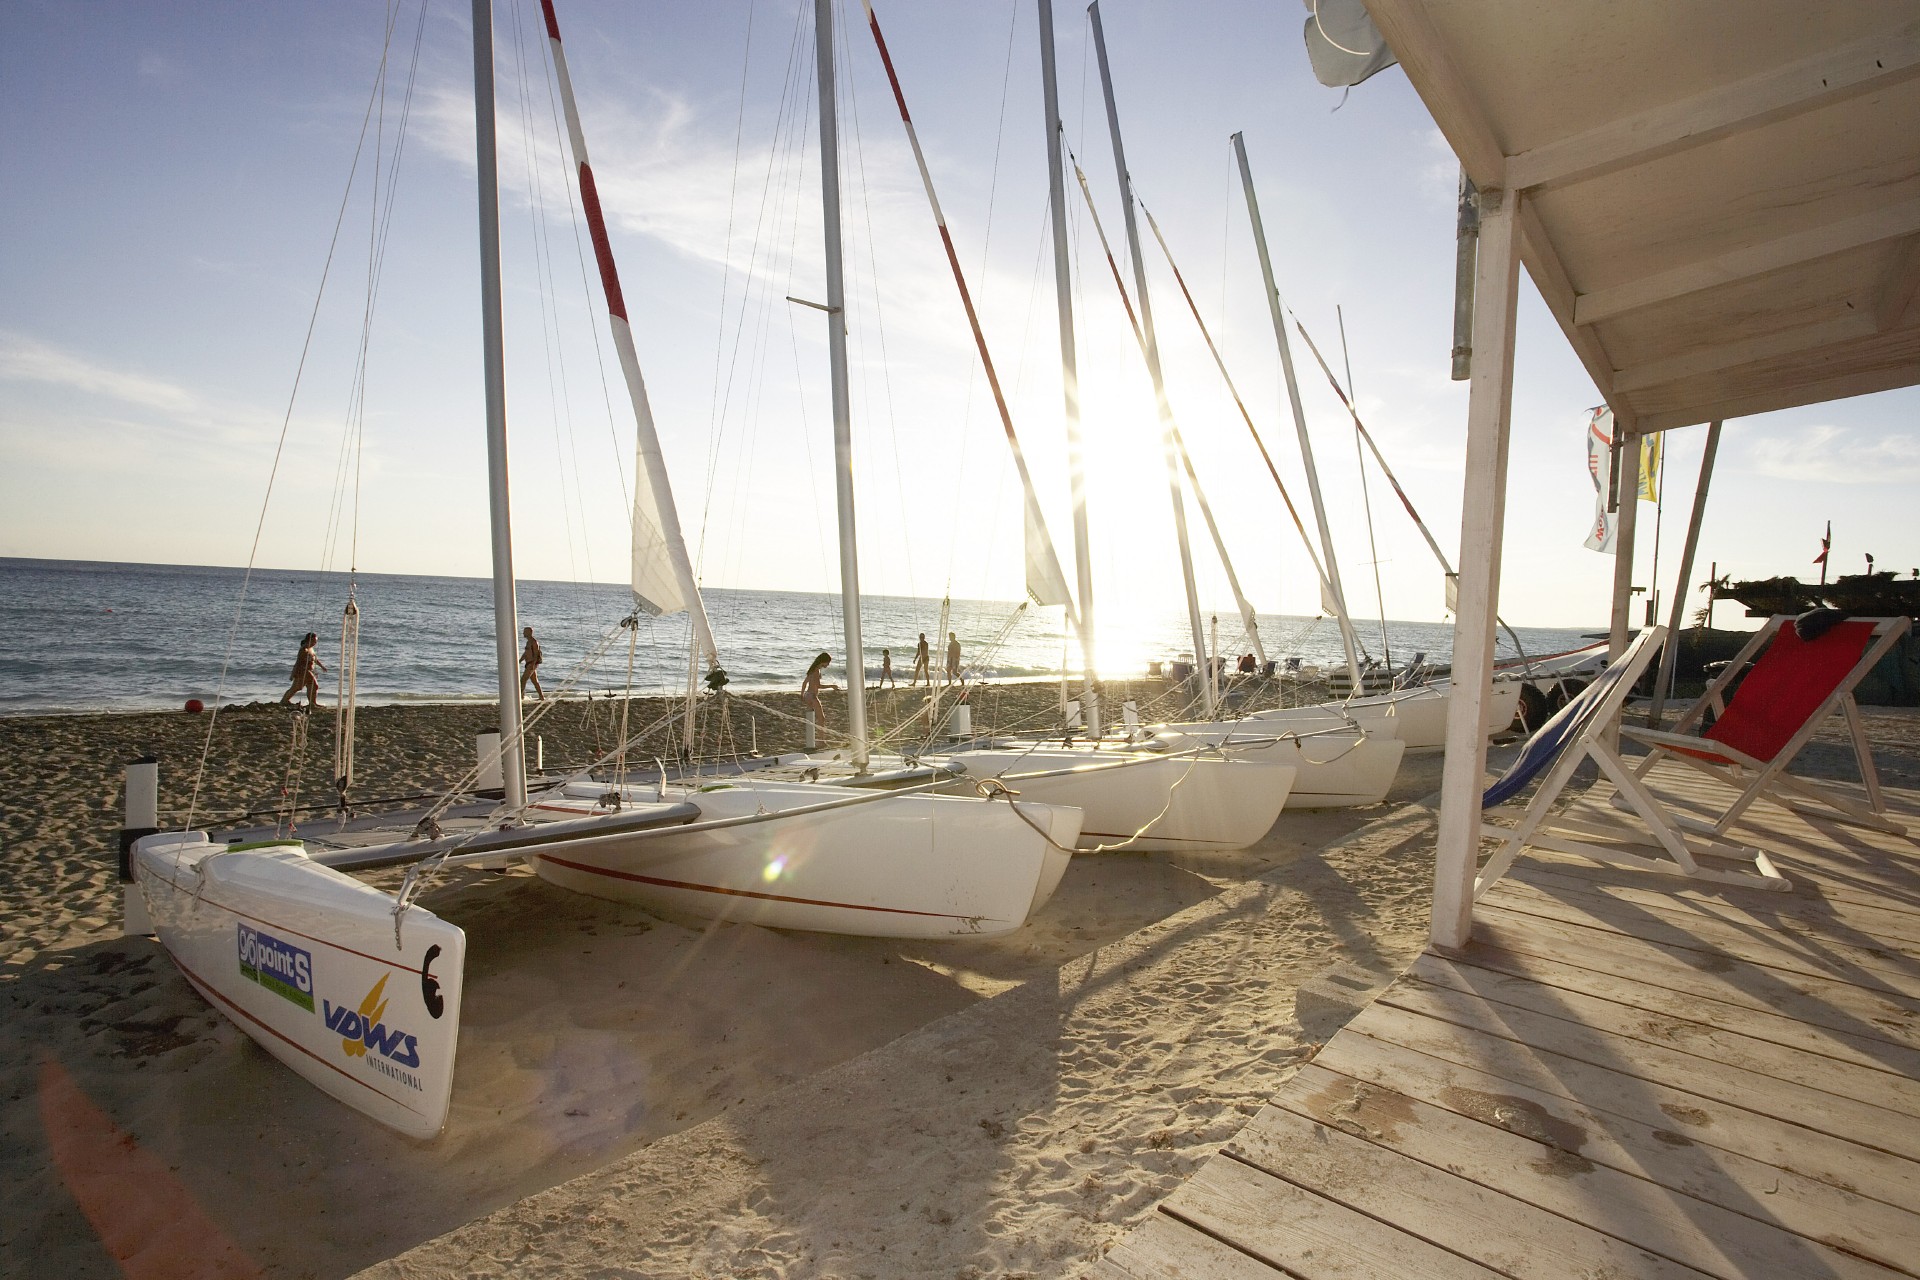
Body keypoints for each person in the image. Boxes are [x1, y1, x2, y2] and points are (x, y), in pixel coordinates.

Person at [280, 632, 326, 707]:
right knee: (298, 687)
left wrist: (322, 666)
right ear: (309, 640)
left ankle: (312, 703)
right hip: (303, 671)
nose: (315, 643)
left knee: (310, 686)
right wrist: (293, 674)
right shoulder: (304, 649)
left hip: (309, 671)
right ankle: (284, 701)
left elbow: (314, 659)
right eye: (314, 641)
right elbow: (298, 662)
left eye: (316, 641)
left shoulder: (311, 649)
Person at [801, 651, 834, 719]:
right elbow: (818, 686)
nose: (828, 664)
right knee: (821, 718)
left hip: (807, 695)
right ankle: (819, 727)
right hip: (812, 696)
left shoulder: (812, 669)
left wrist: (802, 694)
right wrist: (832, 686)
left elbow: (804, 683)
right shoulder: (816, 671)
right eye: (828, 662)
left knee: (810, 717)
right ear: (823, 661)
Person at [520, 626, 544, 701]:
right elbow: (526, 653)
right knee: (535, 681)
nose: (523, 633)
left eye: (525, 632)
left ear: (530, 632)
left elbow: (536, 654)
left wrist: (533, 664)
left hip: (531, 664)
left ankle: (521, 696)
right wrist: (520, 660)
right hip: (529, 663)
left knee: (523, 680)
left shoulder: (534, 642)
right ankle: (541, 697)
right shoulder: (528, 642)